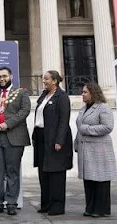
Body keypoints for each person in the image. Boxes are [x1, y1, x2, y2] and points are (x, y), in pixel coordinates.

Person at [0, 66, 31, 215]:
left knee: (12, 171)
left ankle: (11, 204)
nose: (2, 79)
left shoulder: (22, 92)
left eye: (4, 76)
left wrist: (7, 124)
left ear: (11, 77)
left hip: (14, 137)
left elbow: (25, 111)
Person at [33, 70, 73, 216]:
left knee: (56, 173)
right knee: (43, 172)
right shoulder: (44, 95)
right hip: (42, 138)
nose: (44, 81)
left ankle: (57, 206)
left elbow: (64, 120)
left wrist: (59, 141)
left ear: (55, 81)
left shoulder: (61, 97)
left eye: (46, 79)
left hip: (55, 139)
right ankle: (46, 204)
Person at [75, 82, 116, 217]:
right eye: (82, 92)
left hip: (99, 150)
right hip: (85, 149)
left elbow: (108, 127)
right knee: (89, 180)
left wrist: (87, 129)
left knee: (100, 180)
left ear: (93, 93)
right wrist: (76, 143)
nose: (82, 94)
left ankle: (101, 209)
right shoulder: (83, 109)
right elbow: (79, 128)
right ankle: (90, 207)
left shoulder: (103, 107)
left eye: (85, 92)